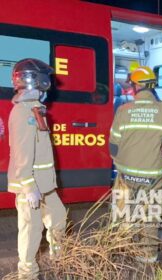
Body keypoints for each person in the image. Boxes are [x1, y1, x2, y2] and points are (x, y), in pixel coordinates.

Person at [109, 66, 162, 263]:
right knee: (150, 214)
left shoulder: (123, 109)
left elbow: (113, 144)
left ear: (137, 86)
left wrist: (119, 163)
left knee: (124, 210)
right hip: (153, 173)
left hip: (126, 173)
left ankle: (120, 248)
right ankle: (148, 255)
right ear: (152, 85)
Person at [7, 58, 67, 279]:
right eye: (47, 80)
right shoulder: (24, 113)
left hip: (44, 184)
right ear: (39, 82)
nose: (49, 85)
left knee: (59, 219)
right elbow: (22, 152)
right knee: (31, 231)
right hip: (30, 186)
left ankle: (59, 259)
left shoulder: (35, 109)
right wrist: (29, 186)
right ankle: (28, 273)